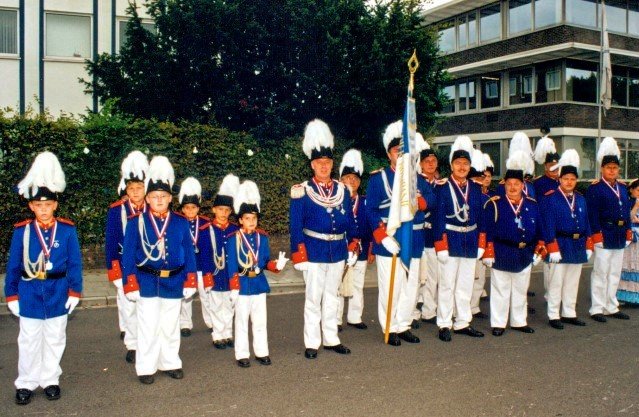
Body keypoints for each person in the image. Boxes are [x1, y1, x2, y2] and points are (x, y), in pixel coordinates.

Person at [5, 152, 83, 405]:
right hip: (29, 291)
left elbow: (74, 263)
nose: (44, 210)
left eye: (48, 205)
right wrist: (11, 294)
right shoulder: (22, 231)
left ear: (55, 205)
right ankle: (26, 382)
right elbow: (13, 265)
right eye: (39, 206)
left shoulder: (67, 230)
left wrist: (75, 291)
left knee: (55, 337)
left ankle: (50, 379)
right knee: (28, 339)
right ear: (31, 206)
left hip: (58, 290)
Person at [121, 156, 197, 384]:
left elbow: (189, 252)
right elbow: (128, 255)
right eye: (155, 196)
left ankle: (170, 362)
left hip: (174, 280)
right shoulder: (136, 222)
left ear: (170, 198)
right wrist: (130, 283)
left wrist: (190, 280)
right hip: (147, 281)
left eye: (163, 196)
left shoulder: (180, 222)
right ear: (147, 198)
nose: (159, 200)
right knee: (148, 326)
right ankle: (146, 367)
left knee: (170, 325)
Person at [290, 119, 358, 359]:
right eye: (319, 163)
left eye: (327, 162)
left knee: (332, 296)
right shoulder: (302, 190)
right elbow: (295, 225)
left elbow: (350, 221)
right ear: (312, 165)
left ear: (332, 164)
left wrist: (353, 243)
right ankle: (312, 342)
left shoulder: (342, 190)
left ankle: (331, 338)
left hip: (337, 249)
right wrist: (299, 253)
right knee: (313, 298)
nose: (324, 166)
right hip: (314, 250)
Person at [366, 121, 434, 346]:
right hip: (390, 239)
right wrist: (382, 236)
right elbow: (370, 210)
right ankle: (390, 326)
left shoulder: (419, 179)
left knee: (410, 286)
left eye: (405, 151)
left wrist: (420, 201)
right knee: (391, 286)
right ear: (389, 154)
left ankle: (403, 324)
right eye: (397, 151)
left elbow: (432, 200)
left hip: (414, 239)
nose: (401, 155)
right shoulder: (378, 179)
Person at [226, 181, 288, 367]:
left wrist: (277, 265)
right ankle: (242, 354)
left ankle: (261, 352)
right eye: (247, 218)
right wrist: (234, 287)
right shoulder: (233, 239)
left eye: (254, 218)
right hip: (242, 284)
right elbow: (231, 264)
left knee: (260, 321)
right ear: (240, 220)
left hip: (259, 284)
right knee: (242, 321)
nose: (251, 222)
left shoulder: (262, 237)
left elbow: (265, 262)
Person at [483, 148, 543, 336]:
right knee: (500, 289)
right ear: (504, 184)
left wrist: (540, 249)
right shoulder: (495, 203)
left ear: (523, 185)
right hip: (502, 252)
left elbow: (539, 229)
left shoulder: (532, 204)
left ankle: (519, 321)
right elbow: (487, 230)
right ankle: (498, 323)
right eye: (509, 184)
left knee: (520, 289)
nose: (513, 187)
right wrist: (488, 251)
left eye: (516, 184)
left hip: (524, 253)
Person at [433, 136, 485, 342]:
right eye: (458, 163)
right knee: (447, 284)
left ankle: (463, 321)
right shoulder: (442, 187)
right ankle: (444, 323)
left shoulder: (476, 187)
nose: (462, 167)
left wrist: (482, 243)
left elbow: (481, 217)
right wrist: (440, 245)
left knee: (465, 284)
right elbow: (437, 218)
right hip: (451, 239)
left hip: (470, 240)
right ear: (451, 165)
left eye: (465, 163)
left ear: (470, 166)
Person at [105, 150, 149, 364]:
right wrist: (114, 272)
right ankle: (133, 344)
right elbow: (111, 242)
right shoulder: (116, 210)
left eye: (139, 187)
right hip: (126, 265)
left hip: (149, 265)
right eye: (131, 188)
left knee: (147, 307)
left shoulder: (153, 207)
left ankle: (148, 343)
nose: (135, 192)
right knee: (129, 306)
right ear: (126, 189)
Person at [541, 150, 592, 329]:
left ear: (576, 180)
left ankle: (569, 313)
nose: (569, 182)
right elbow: (547, 224)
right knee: (556, 282)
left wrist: (589, 244)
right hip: (560, 244)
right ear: (560, 179)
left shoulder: (581, 199)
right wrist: (552, 246)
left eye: (572, 179)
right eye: (566, 179)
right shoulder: (551, 198)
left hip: (577, 245)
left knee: (572, 281)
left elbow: (586, 221)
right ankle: (554, 314)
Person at [586, 137, 632, 322]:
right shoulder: (595, 189)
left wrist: (628, 230)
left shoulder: (622, 187)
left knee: (614, 272)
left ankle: (611, 306)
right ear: (602, 169)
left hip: (619, 234)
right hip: (604, 233)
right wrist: (596, 235)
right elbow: (592, 214)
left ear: (618, 169)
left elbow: (626, 211)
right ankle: (597, 308)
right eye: (608, 167)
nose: (612, 170)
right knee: (600, 272)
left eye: (615, 167)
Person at [198, 174, 241, 349]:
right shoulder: (205, 230)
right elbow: (204, 255)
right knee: (215, 305)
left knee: (229, 305)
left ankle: (228, 333)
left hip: (229, 273)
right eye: (220, 209)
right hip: (214, 273)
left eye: (227, 210)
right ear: (214, 210)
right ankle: (218, 334)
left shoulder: (235, 229)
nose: (223, 213)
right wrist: (207, 276)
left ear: (231, 212)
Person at [337, 149, 373, 331]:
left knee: (358, 284)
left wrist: (371, 249)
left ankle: (355, 317)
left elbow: (372, 227)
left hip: (362, 249)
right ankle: (336, 319)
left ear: (359, 182)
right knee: (338, 284)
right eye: (347, 178)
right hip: (341, 248)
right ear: (341, 180)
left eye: (355, 178)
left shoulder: (366, 201)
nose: (351, 181)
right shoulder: (335, 200)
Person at [178, 177, 213, 337]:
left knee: (206, 296)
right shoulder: (178, 223)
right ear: (183, 209)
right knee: (186, 297)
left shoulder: (206, 223)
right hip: (185, 267)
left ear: (198, 208)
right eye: (187, 208)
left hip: (202, 266)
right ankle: (185, 324)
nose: (190, 210)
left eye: (193, 207)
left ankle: (211, 321)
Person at [414, 134, 439, 324]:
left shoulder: (442, 185)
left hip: (433, 237)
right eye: (426, 161)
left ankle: (429, 310)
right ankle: (412, 312)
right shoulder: (416, 183)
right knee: (415, 277)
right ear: (420, 164)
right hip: (418, 235)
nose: (430, 164)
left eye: (433, 161)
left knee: (432, 277)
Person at [533, 134, 560, 303]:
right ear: (545, 166)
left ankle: (558, 295)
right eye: (551, 165)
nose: (554, 169)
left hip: (562, 228)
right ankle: (550, 295)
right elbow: (537, 209)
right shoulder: (539, 184)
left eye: (557, 166)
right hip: (546, 227)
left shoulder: (563, 182)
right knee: (550, 264)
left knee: (561, 265)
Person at [467, 149, 490, 320]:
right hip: (467, 240)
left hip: (482, 241)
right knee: (466, 278)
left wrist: (486, 244)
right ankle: (462, 308)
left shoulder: (488, 197)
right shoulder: (465, 196)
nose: (479, 182)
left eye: (481, 179)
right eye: (475, 179)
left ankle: (474, 306)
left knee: (479, 276)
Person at [617, 179, 639, 306]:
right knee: (629, 265)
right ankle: (627, 296)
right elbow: (628, 218)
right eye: (638, 190)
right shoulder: (628, 202)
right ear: (631, 190)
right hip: (631, 237)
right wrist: (636, 206)